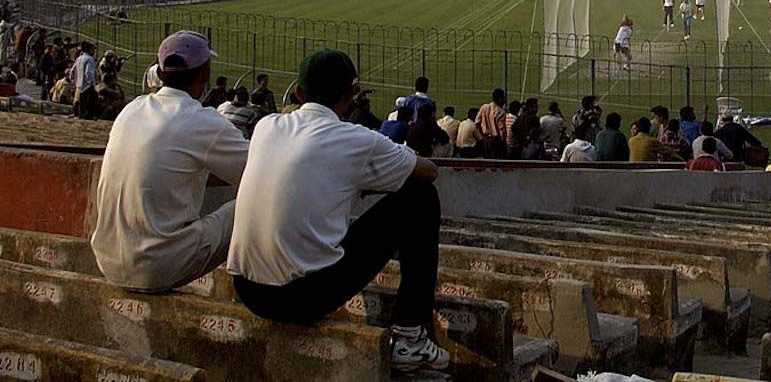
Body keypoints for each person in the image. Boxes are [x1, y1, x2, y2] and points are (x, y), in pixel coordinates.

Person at [228, 48, 449, 372]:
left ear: (300, 92)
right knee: (421, 198)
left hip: (247, 289)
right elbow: (428, 171)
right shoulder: (356, 140)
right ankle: (411, 336)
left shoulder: (267, 127)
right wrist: (365, 176)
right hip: (302, 297)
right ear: (353, 93)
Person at [91, 30, 249, 293]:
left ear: (161, 75)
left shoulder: (132, 110)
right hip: (157, 267)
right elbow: (260, 175)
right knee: (253, 203)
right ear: (205, 74)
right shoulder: (202, 121)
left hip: (108, 261)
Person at [476, 88, 509, 158]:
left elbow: (477, 122)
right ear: (499, 99)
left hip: (485, 138)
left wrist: (481, 134)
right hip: (495, 140)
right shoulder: (501, 112)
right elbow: (501, 129)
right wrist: (504, 143)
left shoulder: (484, 107)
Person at [69, 42, 98, 120]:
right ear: (89, 50)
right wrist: (92, 83)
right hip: (87, 85)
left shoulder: (79, 58)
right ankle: (88, 117)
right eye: (92, 49)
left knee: (81, 103)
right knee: (90, 103)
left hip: (79, 84)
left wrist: (74, 81)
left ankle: (82, 116)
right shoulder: (89, 59)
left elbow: (72, 71)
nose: (94, 51)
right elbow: (88, 72)